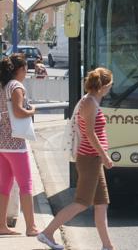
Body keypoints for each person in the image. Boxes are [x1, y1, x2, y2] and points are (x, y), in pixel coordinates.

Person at [37, 68, 115, 250]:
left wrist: (101, 156)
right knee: (81, 202)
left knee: (101, 204)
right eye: (110, 85)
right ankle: (47, 233)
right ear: (104, 86)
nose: (110, 88)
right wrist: (104, 156)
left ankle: (107, 246)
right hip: (89, 159)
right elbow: (89, 133)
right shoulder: (89, 102)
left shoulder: (93, 100)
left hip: (94, 159)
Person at [0, 54, 38, 237]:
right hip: (16, 144)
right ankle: (31, 227)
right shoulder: (16, 86)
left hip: (2, 143)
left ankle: (1, 225)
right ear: (20, 70)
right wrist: (32, 110)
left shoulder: (3, 86)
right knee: (26, 185)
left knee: (4, 185)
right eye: (25, 69)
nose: (26, 73)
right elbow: (18, 111)